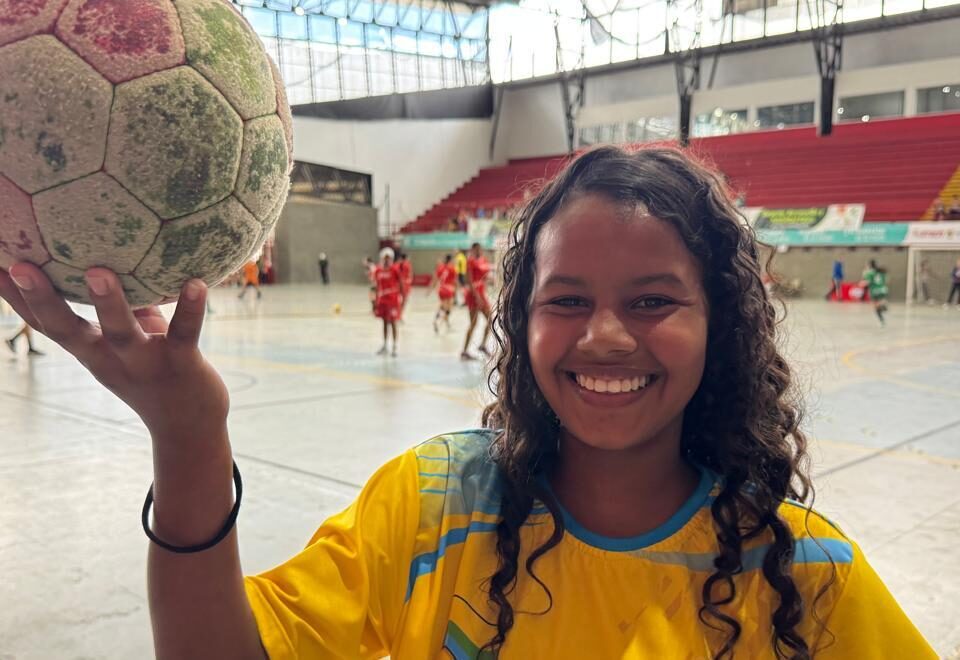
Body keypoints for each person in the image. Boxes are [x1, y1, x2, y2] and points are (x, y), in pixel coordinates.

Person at [0, 146, 936, 659]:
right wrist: (188, 439)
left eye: (653, 301)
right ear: (520, 325)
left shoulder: (806, 574)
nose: (605, 335)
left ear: (720, 322)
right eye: (566, 300)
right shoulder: (435, 504)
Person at [461, 242, 492, 360]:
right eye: (476, 249)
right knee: (473, 323)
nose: (479, 250)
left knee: (490, 320)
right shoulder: (470, 261)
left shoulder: (484, 259)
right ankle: (464, 351)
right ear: (473, 249)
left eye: (480, 248)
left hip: (482, 293)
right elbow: (469, 280)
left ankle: (483, 345)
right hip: (474, 294)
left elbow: (485, 276)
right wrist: (476, 296)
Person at [373, 247, 402, 356]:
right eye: (385, 258)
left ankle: (395, 346)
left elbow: (401, 284)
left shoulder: (395, 269)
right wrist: (375, 302)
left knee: (393, 322)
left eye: (388, 258)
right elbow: (376, 287)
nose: (386, 260)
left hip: (393, 299)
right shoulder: (378, 271)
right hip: (383, 300)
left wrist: (401, 298)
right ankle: (385, 345)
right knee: (384, 322)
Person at [427, 254, 457, 333]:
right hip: (449, 289)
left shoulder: (440, 267)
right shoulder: (452, 268)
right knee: (449, 308)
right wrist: (457, 290)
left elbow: (435, 280)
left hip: (441, 289)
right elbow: (455, 281)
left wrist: (429, 290)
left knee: (442, 306)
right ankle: (439, 323)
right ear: (450, 260)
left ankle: (442, 322)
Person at [862, 259, 889, 325]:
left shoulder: (869, 273)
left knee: (876, 308)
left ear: (870, 265)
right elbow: (887, 280)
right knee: (880, 303)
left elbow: (867, 282)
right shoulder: (881, 272)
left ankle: (882, 320)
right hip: (883, 290)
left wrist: (862, 283)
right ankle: (883, 306)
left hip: (875, 291)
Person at [396, 252, 413, 318]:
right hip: (405, 284)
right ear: (406, 258)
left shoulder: (396, 265)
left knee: (397, 299)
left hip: (397, 284)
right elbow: (410, 275)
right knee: (404, 300)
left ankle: (396, 312)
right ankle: (400, 314)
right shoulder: (408, 265)